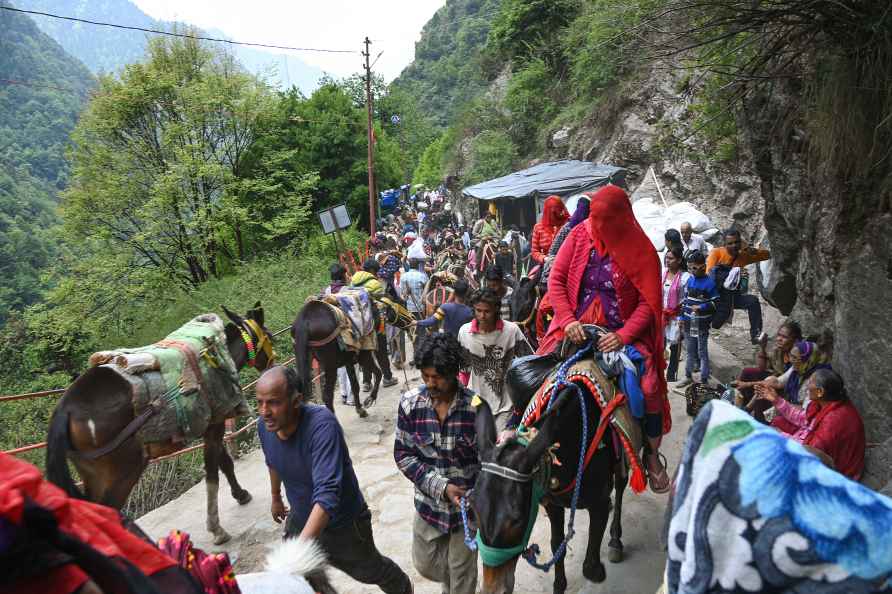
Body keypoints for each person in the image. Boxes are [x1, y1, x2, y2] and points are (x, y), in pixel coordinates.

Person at [540, 184, 672, 494]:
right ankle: (519, 432)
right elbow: (556, 280)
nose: (596, 226)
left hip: (619, 334)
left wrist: (623, 335)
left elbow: (647, 303)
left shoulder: (641, 249)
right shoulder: (579, 235)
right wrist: (568, 319)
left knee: (649, 387)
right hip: (572, 328)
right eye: (593, 218)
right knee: (534, 372)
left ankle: (651, 455)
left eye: (604, 220)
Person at [256, 366, 413, 594]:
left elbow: (327, 495)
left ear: (296, 400)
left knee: (370, 570)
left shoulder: (321, 426)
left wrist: (296, 553)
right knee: (303, 582)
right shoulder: (265, 426)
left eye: (273, 402)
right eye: (259, 402)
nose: (264, 411)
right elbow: (272, 460)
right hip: (301, 517)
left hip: (342, 524)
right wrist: (275, 496)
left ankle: (402, 587)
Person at [394, 333, 479, 594]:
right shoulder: (410, 404)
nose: (430, 383)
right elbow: (403, 455)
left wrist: (475, 496)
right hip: (429, 506)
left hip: (466, 511)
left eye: (437, 377)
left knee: (462, 575)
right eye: (425, 376)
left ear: (454, 372)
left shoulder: (476, 407)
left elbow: (487, 461)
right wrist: (441, 487)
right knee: (425, 564)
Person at [755, 368, 865, 479]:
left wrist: (780, 436)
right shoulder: (824, 403)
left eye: (811, 382)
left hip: (838, 472)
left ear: (820, 392)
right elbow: (804, 420)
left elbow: (808, 454)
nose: (807, 386)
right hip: (813, 446)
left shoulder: (833, 421)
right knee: (778, 423)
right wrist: (777, 400)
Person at [458, 288, 532, 429]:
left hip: (506, 404)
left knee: (498, 447)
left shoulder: (511, 331)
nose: (482, 316)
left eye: (487, 311)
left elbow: (527, 362)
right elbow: (464, 369)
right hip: (477, 402)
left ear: (496, 309)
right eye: (478, 310)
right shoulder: (464, 332)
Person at [706, 228, 771, 344]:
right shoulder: (716, 253)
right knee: (715, 323)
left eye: (736, 242)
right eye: (730, 243)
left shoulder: (743, 256)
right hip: (718, 296)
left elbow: (766, 255)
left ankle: (755, 334)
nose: (734, 246)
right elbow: (709, 275)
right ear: (724, 244)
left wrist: (750, 250)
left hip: (733, 296)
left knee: (753, 301)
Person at [733, 320, 802, 421]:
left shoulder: (797, 357)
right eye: (779, 335)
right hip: (774, 380)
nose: (779, 339)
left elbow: (778, 381)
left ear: (795, 341)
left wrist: (747, 384)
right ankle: (740, 404)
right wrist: (762, 347)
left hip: (786, 388)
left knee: (763, 391)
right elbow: (762, 368)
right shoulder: (778, 351)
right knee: (748, 372)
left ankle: (752, 416)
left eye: (784, 337)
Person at [351, 259, 398, 389]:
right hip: (375, 323)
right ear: (372, 270)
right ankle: (387, 377)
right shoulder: (375, 284)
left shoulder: (353, 281)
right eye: (376, 271)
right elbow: (384, 302)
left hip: (359, 324)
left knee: (365, 352)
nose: (377, 273)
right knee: (381, 351)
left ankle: (366, 382)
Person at [677, 251, 719, 388]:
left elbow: (715, 303)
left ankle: (704, 379)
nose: (692, 271)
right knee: (690, 351)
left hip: (701, 324)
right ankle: (688, 376)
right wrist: (681, 317)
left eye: (694, 268)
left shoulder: (710, 283)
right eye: (689, 268)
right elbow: (685, 301)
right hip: (690, 323)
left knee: (702, 352)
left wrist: (701, 307)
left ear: (703, 267)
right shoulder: (690, 280)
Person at [324, 263, 357, 405]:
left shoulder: (327, 290)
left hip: (331, 333)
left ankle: (343, 393)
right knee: (351, 363)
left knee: (340, 365)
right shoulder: (346, 290)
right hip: (344, 331)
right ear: (342, 275)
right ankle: (351, 397)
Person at [662, 246, 689, 382]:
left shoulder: (685, 278)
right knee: (660, 344)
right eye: (667, 257)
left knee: (674, 346)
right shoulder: (663, 274)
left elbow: (687, 299)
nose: (667, 260)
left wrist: (683, 317)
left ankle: (671, 375)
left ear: (678, 260)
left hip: (676, 317)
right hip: (662, 315)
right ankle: (659, 372)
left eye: (671, 258)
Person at [401, 258, 430, 353]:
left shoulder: (404, 277)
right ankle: (423, 354)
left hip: (409, 310)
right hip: (421, 309)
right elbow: (427, 294)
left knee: (413, 332)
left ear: (409, 265)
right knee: (422, 332)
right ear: (418, 265)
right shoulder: (423, 276)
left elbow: (403, 296)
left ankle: (416, 354)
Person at [531, 195, 569, 265]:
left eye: (560, 210)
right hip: (548, 265)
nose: (559, 214)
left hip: (568, 264)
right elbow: (534, 251)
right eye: (554, 213)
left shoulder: (569, 224)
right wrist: (545, 258)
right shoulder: (538, 227)